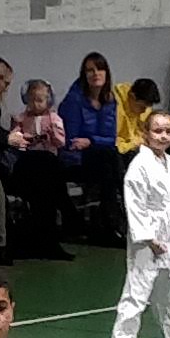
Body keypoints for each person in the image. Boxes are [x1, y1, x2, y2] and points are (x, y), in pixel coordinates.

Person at [111, 106, 170, 338]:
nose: (162, 136)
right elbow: (135, 204)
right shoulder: (139, 166)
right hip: (148, 236)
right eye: (157, 131)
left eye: (168, 131)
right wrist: (149, 237)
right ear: (146, 133)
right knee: (137, 292)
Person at [5, 79, 71, 258]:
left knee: (50, 178)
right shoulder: (21, 119)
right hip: (29, 163)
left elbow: (61, 142)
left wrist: (51, 132)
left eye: (40, 100)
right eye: (32, 100)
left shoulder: (54, 119)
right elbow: (14, 139)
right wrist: (22, 137)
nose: (36, 104)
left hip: (48, 164)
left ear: (48, 100)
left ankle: (52, 234)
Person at [64, 52, 123, 242]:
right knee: (109, 160)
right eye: (90, 70)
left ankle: (114, 223)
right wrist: (94, 143)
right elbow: (72, 141)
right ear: (84, 75)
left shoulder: (110, 100)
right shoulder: (74, 100)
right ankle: (114, 224)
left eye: (100, 69)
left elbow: (112, 138)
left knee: (111, 158)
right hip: (76, 160)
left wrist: (91, 141)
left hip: (102, 155)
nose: (95, 73)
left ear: (106, 73)